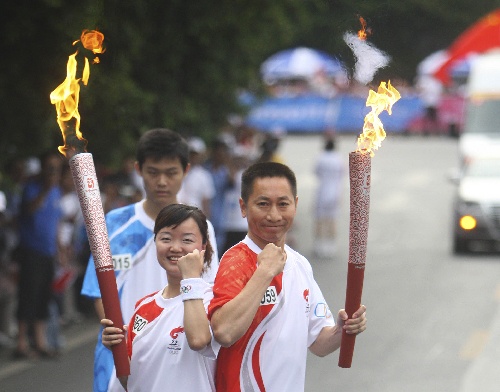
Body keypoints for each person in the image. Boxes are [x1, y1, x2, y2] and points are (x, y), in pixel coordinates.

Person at [208, 161, 367, 391]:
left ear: (295, 204)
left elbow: (319, 343)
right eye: (263, 204)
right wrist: (264, 272)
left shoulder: (300, 264)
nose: (274, 215)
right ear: (243, 207)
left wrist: (342, 330)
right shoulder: (236, 261)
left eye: (283, 204)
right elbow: (224, 331)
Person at [81, 128, 219, 392]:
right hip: (119, 353)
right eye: (153, 172)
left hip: (176, 352)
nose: (162, 182)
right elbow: (97, 290)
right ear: (138, 169)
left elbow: (209, 291)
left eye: (171, 172)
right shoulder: (113, 224)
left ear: (186, 170)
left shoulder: (202, 230)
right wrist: (121, 337)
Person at [101, 204, 220, 391]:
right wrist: (117, 350)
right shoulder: (143, 308)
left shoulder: (215, 301)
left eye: (187, 240)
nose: (175, 247)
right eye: (166, 238)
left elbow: (198, 340)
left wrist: (190, 278)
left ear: (203, 246)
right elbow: (131, 383)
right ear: (155, 241)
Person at [14, 151, 63, 359]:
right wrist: (44, 189)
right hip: (30, 250)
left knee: (44, 295)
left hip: (48, 252)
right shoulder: (31, 188)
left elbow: (56, 221)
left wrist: (60, 248)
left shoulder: (56, 191)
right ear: (43, 168)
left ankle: (40, 341)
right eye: (50, 167)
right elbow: (28, 211)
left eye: (56, 168)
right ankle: (21, 343)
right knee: (28, 295)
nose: (53, 172)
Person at [313, 137, 344, 258]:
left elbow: (316, 172)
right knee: (332, 219)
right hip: (335, 192)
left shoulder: (320, 158)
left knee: (320, 219)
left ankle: (319, 245)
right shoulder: (338, 158)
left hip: (322, 191)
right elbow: (342, 174)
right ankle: (331, 245)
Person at [177, 137, 215, 217]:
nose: (193, 157)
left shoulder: (204, 176)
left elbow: (206, 203)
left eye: (196, 154)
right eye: (191, 154)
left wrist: (206, 222)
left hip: (195, 216)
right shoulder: (177, 172)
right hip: (177, 215)